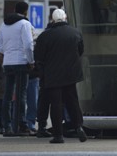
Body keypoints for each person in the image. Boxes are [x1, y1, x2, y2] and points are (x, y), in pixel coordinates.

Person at [34, 9, 87, 144]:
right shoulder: (75, 32)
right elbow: (80, 51)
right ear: (65, 18)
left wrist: (42, 73)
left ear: (52, 19)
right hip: (71, 74)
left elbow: (39, 57)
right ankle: (79, 126)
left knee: (56, 105)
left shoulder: (45, 36)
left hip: (53, 76)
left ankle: (58, 135)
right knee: (73, 102)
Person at [0, 1, 35, 136]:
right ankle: (20, 124)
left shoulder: (4, 24)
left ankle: (6, 126)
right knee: (21, 94)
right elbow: (29, 45)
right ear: (26, 11)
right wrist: (31, 60)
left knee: (7, 94)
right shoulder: (25, 24)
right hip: (21, 62)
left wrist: (8, 52)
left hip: (7, 63)